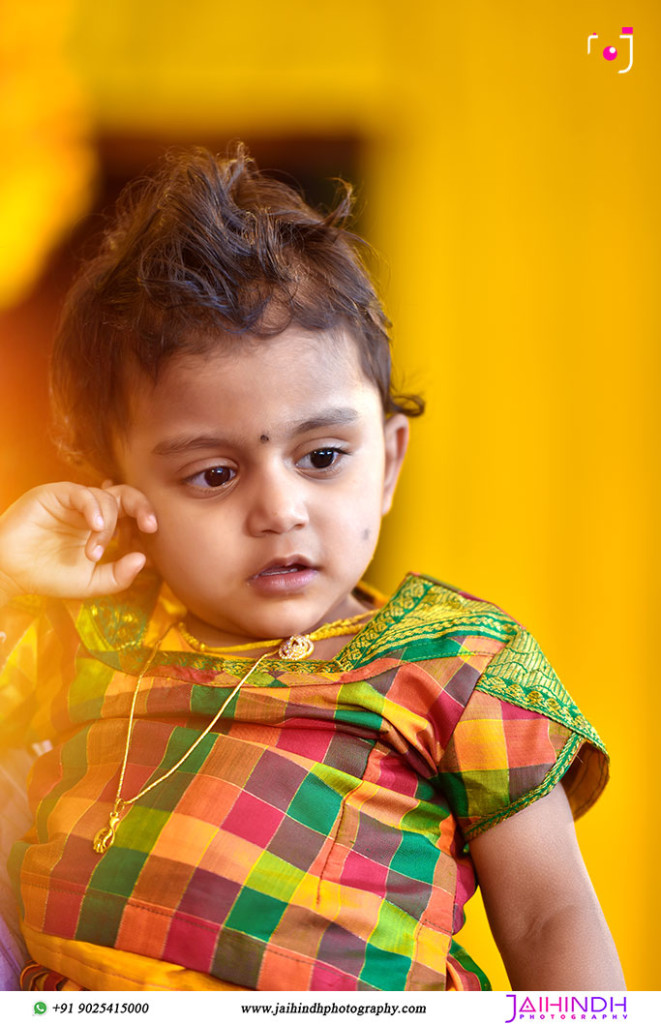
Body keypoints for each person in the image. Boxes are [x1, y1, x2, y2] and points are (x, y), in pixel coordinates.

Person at [0, 145, 624, 993]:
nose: (279, 509)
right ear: (118, 492)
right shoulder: (87, 638)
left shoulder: (456, 669)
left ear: (390, 461)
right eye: (213, 474)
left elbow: (549, 916)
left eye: (322, 455)